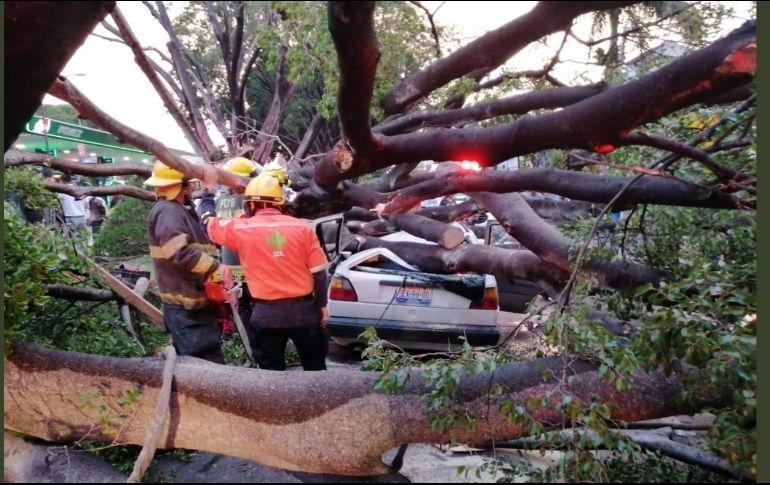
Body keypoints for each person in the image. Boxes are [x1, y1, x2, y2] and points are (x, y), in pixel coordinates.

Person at [199, 171, 330, 371]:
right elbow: (320, 274)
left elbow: (208, 223)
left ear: (250, 204)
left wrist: (208, 193)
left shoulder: (240, 229)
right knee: (316, 370)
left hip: (266, 315)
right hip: (304, 313)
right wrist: (322, 305)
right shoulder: (303, 228)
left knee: (270, 377)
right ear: (281, 203)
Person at [144, 160, 227, 364]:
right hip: (186, 310)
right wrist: (216, 266)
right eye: (189, 183)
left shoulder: (178, 209)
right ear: (181, 186)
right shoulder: (168, 211)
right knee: (204, 366)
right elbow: (178, 252)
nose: (192, 187)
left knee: (205, 361)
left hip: (192, 305)